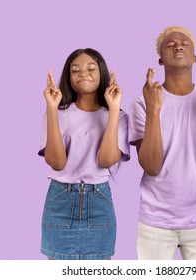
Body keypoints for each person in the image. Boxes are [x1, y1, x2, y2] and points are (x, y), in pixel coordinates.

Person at [129, 26, 196, 260]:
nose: (177, 45)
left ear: (195, 57)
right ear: (160, 60)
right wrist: (154, 110)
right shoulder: (142, 103)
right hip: (155, 222)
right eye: (169, 43)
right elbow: (151, 166)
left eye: (184, 42)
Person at [38, 48, 130, 260]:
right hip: (59, 202)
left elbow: (106, 160)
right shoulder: (57, 113)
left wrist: (114, 108)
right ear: (69, 78)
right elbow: (57, 163)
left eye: (91, 68)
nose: (82, 73)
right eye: (75, 69)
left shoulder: (119, 117)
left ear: (102, 73)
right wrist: (52, 109)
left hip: (99, 202)